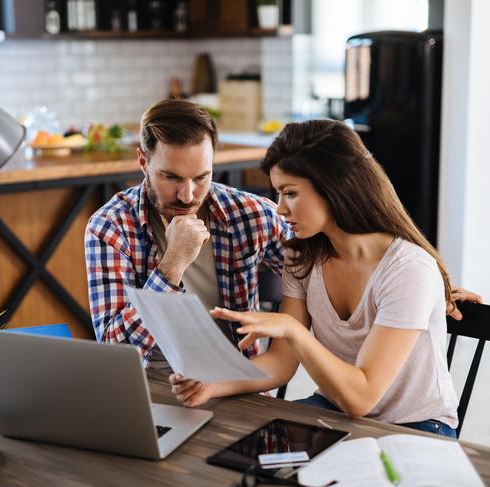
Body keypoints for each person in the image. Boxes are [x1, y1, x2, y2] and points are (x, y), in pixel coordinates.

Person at [169, 119, 482, 437]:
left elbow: (361, 398)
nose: (280, 209)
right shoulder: (303, 255)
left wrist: (293, 331)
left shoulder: (408, 269)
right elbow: (281, 363)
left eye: (290, 193)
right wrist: (212, 383)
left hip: (414, 426)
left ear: (335, 186)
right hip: (333, 410)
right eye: (278, 194)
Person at [85, 99, 291, 366]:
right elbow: (116, 354)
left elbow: (320, 278)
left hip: (237, 384)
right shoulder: (110, 227)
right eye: (171, 177)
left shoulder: (251, 214)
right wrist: (172, 265)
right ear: (143, 162)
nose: (187, 196)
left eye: (201, 177)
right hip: (150, 385)